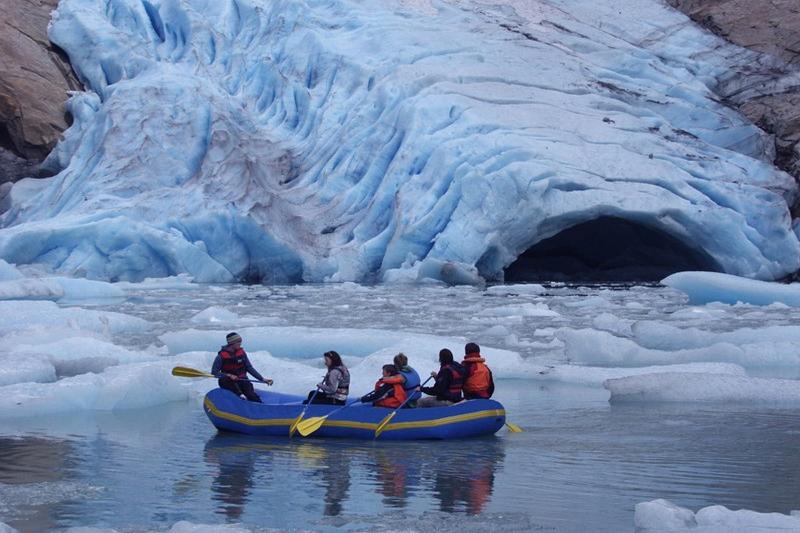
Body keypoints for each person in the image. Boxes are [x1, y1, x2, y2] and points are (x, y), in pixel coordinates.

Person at [211, 332, 273, 402]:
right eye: (238, 342)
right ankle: (240, 396)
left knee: (252, 396)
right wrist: (229, 375)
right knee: (226, 381)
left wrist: (262, 379)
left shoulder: (242, 353)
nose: (240, 343)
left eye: (240, 341)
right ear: (231, 343)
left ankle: (258, 406)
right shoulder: (221, 356)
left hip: (242, 380)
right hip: (229, 382)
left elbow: (249, 368)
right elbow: (214, 372)